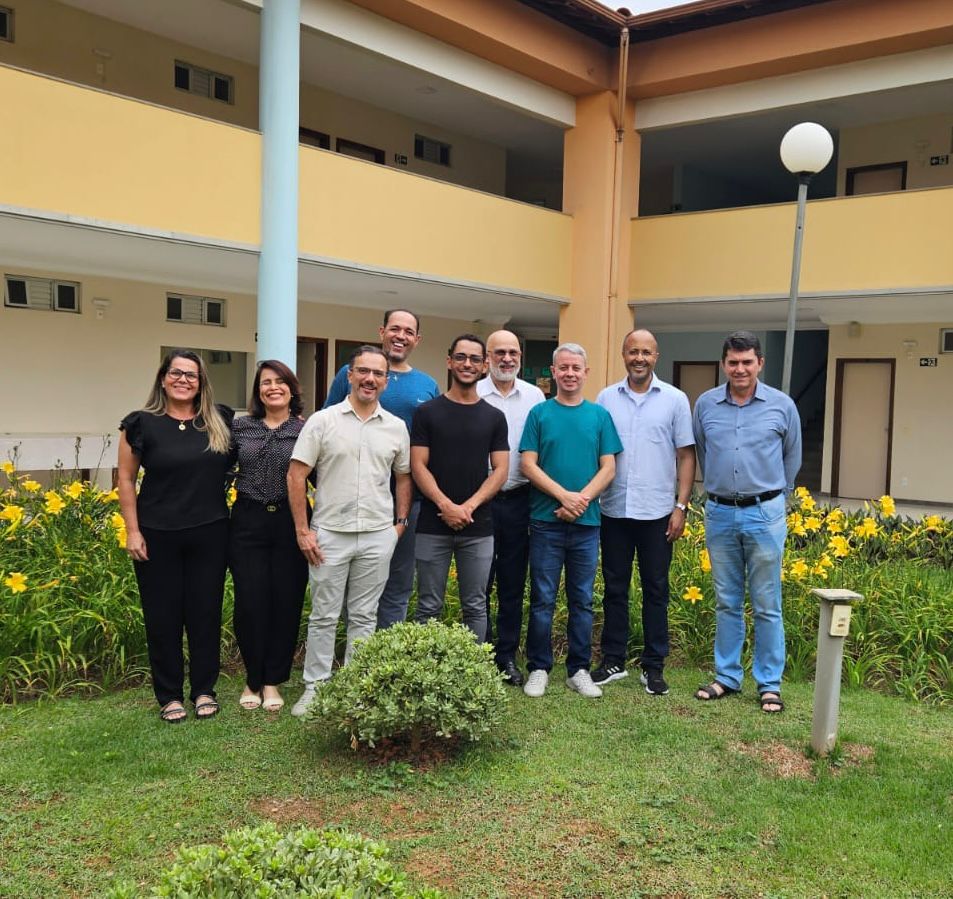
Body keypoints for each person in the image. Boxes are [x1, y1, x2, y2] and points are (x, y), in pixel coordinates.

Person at [288, 346, 411, 717]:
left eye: (377, 373)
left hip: (377, 534)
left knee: (364, 615)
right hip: (329, 534)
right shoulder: (323, 421)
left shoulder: (395, 427)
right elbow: (296, 475)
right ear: (350, 376)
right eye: (363, 371)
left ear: (386, 382)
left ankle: (357, 686)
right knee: (324, 615)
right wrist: (302, 530)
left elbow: (403, 477)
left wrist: (399, 525)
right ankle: (316, 687)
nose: (370, 379)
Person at [117, 350, 234, 723]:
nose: (184, 380)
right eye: (176, 373)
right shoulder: (140, 424)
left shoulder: (220, 421)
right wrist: (132, 531)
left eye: (192, 375)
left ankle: (204, 690)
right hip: (157, 534)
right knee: (162, 617)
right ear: (163, 378)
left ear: (201, 383)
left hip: (211, 532)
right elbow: (125, 480)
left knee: (205, 614)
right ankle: (169, 695)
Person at [692, 331, 801, 713]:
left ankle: (769, 684)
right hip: (720, 512)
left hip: (765, 513)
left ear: (760, 363)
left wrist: (773, 500)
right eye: (733, 362)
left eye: (747, 362)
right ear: (724, 364)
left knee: (767, 602)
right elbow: (704, 453)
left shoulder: (782, 406)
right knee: (727, 601)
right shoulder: (706, 405)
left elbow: (792, 459)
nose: (740, 369)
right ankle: (727, 677)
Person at [594, 329, 695, 695]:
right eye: (633, 351)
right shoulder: (606, 398)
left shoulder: (675, 399)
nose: (640, 358)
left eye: (646, 352)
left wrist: (680, 506)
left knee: (656, 589)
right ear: (623, 354)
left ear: (656, 356)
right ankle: (613, 660)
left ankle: (654, 666)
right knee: (614, 589)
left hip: (657, 514)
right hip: (615, 510)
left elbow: (686, 455)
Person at [323, 309, 439, 628]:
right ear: (382, 332)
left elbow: (433, 442)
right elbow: (327, 426)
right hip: (353, 497)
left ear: (417, 339)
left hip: (407, 500)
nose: (400, 335)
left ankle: (385, 656)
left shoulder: (427, 385)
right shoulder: (350, 372)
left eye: (408, 331)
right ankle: (354, 656)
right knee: (351, 581)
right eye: (394, 329)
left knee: (399, 581)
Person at [520, 343, 622, 699]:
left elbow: (609, 466)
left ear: (586, 372)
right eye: (563, 367)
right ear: (553, 371)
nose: (569, 373)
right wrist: (564, 497)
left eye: (576, 368)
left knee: (582, 600)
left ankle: (578, 669)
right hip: (545, 522)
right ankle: (538, 668)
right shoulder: (539, 413)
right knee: (543, 598)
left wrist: (580, 501)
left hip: (586, 524)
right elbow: (528, 464)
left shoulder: (599, 416)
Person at [411, 334, 509, 640]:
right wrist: (446, 505)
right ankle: (426, 676)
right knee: (428, 606)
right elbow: (418, 465)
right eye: (462, 357)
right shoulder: (427, 412)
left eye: (475, 359)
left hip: (478, 526)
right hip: (432, 523)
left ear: (484, 366)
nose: (468, 364)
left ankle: (474, 676)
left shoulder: (494, 417)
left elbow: (501, 470)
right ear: (449, 361)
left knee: (476, 606)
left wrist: (467, 507)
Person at [229, 360, 308, 714]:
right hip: (247, 520)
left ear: (292, 388)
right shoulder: (239, 427)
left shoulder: (307, 429)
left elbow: (323, 475)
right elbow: (217, 468)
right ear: (258, 390)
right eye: (265, 382)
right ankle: (253, 678)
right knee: (250, 600)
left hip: (291, 522)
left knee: (286, 600)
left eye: (279, 381)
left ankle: (274, 680)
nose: (272, 387)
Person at [476, 329, 545, 686]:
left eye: (513, 352)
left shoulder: (535, 396)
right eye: (499, 352)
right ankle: (479, 654)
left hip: (520, 501)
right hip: (480, 501)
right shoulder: (474, 393)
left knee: (512, 583)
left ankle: (506, 657)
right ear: (487, 357)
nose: (507, 358)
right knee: (479, 584)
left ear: (520, 355)